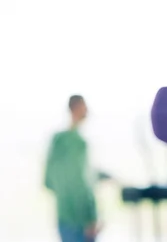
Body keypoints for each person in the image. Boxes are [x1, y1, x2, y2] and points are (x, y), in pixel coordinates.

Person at [44, 95, 100, 242]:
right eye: (84, 107)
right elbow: (84, 181)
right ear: (76, 108)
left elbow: (48, 181)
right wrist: (92, 216)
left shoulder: (58, 140)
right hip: (80, 219)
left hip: (64, 216)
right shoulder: (78, 143)